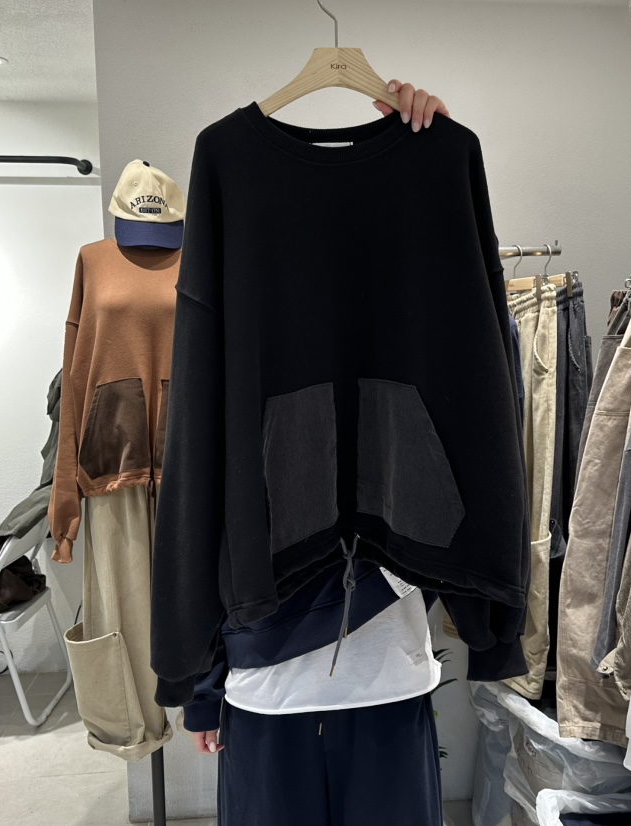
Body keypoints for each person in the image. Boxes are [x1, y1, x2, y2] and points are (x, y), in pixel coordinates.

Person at [184, 82, 453, 826]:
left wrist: (429, 159)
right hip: (265, 682)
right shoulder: (231, 180)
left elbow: (462, 439)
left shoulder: (423, 203)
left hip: (388, 676)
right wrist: (204, 685)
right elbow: (203, 476)